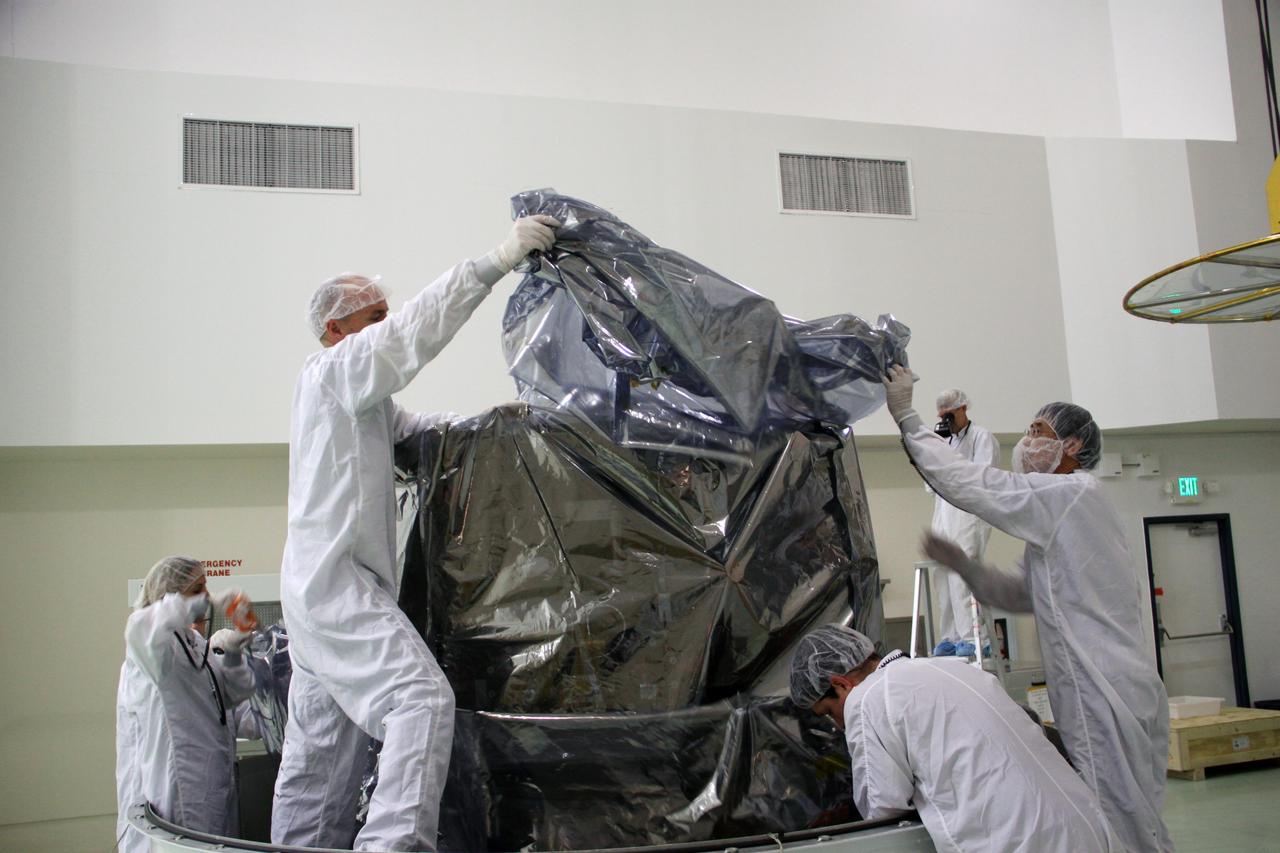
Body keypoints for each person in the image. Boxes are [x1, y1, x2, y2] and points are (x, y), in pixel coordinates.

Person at [270, 215, 560, 852]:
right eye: (371, 317)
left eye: (383, 314)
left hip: (316, 593)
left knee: (321, 762)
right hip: (337, 585)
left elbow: (425, 433)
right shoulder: (334, 371)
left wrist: (504, 424)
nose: (384, 323)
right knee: (421, 700)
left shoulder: (358, 401)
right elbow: (409, 335)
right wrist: (494, 262)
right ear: (334, 330)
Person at [882, 366, 1173, 853]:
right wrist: (964, 567)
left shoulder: (1069, 494)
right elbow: (1020, 594)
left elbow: (974, 484)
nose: (1027, 441)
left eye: (1039, 431)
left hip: (1102, 686)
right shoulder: (1068, 512)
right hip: (1111, 681)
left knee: (1118, 818)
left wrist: (907, 417)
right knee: (1130, 815)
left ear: (1073, 446)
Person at [790, 624, 1119, 853]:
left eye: (829, 712)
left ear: (841, 684)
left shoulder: (868, 699)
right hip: (1087, 829)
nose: (838, 725)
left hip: (1022, 842)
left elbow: (882, 808)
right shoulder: (951, 668)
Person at [115, 556, 257, 853]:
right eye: (197, 589)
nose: (206, 596)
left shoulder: (195, 643)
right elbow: (143, 627)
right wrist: (193, 603)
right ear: (169, 594)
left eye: (206, 587)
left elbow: (233, 696)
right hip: (176, 788)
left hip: (213, 782)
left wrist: (234, 652)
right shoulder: (150, 647)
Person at [927, 388, 999, 657]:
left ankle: (975, 636)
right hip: (943, 509)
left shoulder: (981, 437)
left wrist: (951, 462)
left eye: (950, 415)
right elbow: (931, 483)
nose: (946, 421)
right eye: (942, 416)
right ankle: (951, 635)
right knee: (941, 573)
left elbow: (981, 477)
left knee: (962, 573)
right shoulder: (943, 442)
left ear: (963, 409)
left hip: (969, 512)